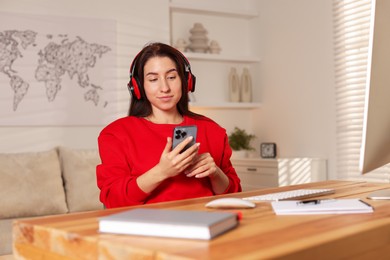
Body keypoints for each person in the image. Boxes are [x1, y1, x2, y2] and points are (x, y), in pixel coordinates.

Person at [96, 42, 241, 208]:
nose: (164, 88)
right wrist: (162, 171)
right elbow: (113, 200)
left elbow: (234, 196)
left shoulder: (213, 130)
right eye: (153, 79)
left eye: (171, 77)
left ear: (186, 81)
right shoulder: (116, 134)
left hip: (208, 225)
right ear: (138, 87)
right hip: (148, 229)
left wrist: (215, 173)